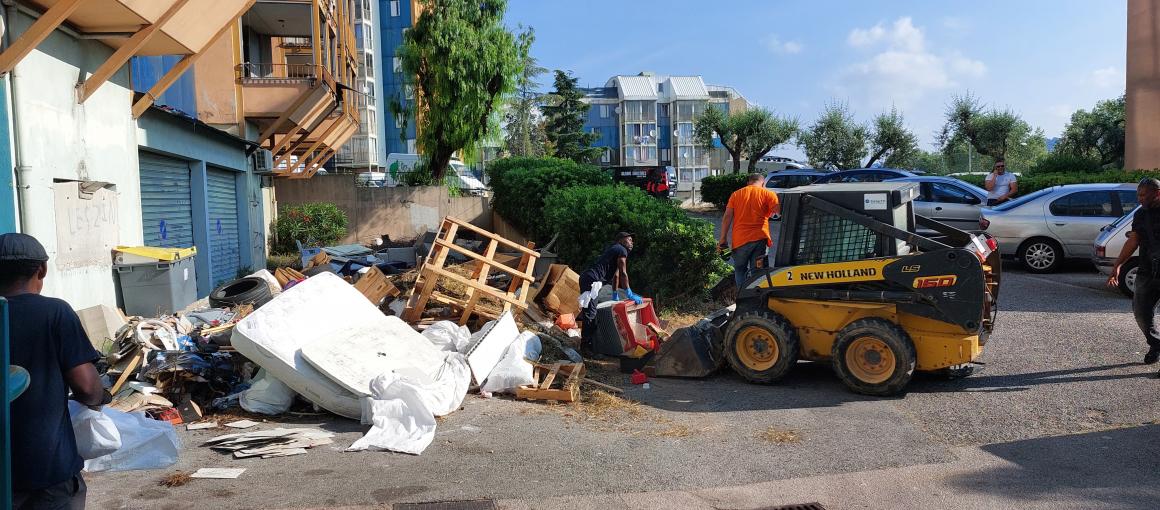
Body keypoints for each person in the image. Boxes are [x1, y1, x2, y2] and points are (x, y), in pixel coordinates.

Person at [6, 233, 108, 510]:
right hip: (47, 469)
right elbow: (88, 389)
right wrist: (100, 397)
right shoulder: (55, 312)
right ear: (42, 269)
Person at [1108, 178, 1160, 365]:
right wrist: (1118, 265)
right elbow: (1134, 240)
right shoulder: (1140, 214)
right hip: (1147, 270)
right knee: (1141, 313)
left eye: (1143, 195)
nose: (1139, 198)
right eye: (1138, 194)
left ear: (1157, 193)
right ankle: (1156, 344)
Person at [577, 232, 642, 349]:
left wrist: (615, 293)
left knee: (591, 311)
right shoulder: (621, 250)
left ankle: (589, 343)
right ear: (621, 240)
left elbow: (616, 275)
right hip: (592, 280)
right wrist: (629, 293)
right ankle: (586, 347)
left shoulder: (615, 249)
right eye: (629, 240)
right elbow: (623, 273)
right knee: (590, 313)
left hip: (589, 279)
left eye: (632, 240)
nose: (632, 242)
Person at [719, 173, 780, 288]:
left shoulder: (736, 194)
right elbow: (778, 212)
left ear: (748, 182)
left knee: (740, 270)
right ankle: (756, 299)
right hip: (760, 240)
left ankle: (742, 298)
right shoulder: (769, 194)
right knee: (758, 272)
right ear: (763, 183)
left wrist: (723, 239)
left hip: (739, 241)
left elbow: (727, 217)